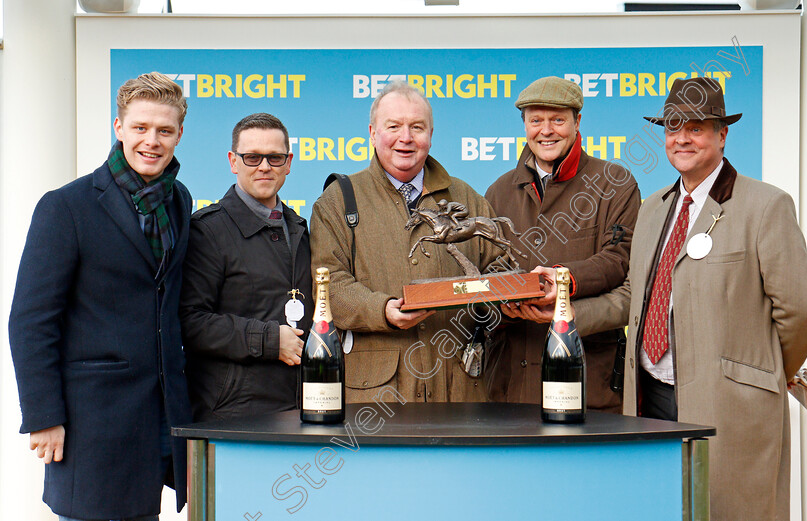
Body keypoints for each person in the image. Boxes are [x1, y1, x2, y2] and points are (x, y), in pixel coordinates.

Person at [573, 77, 807, 521]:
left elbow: (801, 309)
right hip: (649, 397)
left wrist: (767, 371)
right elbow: (635, 297)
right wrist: (565, 314)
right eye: (673, 128)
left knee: (730, 510)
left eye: (696, 128)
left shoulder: (765, 206)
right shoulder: (653, 208)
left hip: (730, 404)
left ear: (722, 135)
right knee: (661, 509)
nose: (682, 138)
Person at [8, 72, 193, 520]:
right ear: (118, 128)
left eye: (164, 131)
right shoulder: (66, 206)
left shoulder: (179, 201)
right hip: (91, 420)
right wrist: (43, 416)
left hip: (158, 414)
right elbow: (31, 321)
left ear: (179, 135)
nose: (152, 141)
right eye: (141, 128)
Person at [310, 80, 503, 404]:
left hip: (459, 392)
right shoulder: (339, 201)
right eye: (394, 126)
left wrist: (511, 288)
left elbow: (497, 267)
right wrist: (382, 310)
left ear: (431, 134)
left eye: (417, 127)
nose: (406, 138)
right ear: (373, 132)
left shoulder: (467, 197)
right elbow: (329, 286)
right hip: (376, 397)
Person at [484, 76, 640, 412]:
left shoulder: (616, 182)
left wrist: (564, 281)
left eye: (558, 120)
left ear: (577, 122)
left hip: (590, 384)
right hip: (513, 387)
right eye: (536, 120)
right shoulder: (497, 192)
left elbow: (619, 259)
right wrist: (502, 304)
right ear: (524, 125)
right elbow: (489, 267)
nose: (546, 130)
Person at [180, 113, 313, 421]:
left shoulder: (302, 230)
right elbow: (189, 322)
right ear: (233, 161)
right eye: (252, 157)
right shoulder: (207, 231)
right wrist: (268, 340)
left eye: (274, 157)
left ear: (289, 163)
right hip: (232, 415)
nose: (264, 166)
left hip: (299, 409)